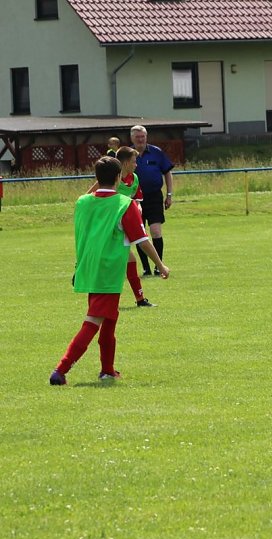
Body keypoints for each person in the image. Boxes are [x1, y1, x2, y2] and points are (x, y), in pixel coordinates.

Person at [50, 156, 170, 386]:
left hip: (87, 266)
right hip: (108, 270)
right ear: (118, 177)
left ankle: (107, 370)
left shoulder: (83, 202)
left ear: (96, 178)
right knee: (93, 321)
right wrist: (161, 265)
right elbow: (142, 240)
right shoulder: (125, 204)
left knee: (110, 319)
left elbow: (89, 211)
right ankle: (60, 370)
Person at [87, 147, 154, 307]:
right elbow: (89, 197)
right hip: (109, 226)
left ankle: (138, 299)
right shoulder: (109, 179)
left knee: (130, 259)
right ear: (124, 163)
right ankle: (107, 300)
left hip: (123, 224)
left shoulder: (134, 178)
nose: (136, 165)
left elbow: (136, 199)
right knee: (125, 259)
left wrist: (137, 207)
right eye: (134, 161)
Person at [130, 125, 174, 276]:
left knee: (155, 231)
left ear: (146, 137)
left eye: (142, 136)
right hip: (134, 199)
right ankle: (146, 268)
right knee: (140, 234)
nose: (140, 139)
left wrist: (169, 194)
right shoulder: (128, 154)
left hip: (154, 197)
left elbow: (167, 172)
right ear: (132, 138)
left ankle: (158, 266)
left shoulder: (156, 152)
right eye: (137, 137)